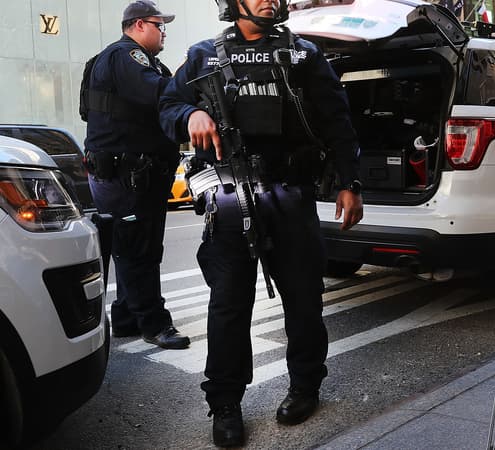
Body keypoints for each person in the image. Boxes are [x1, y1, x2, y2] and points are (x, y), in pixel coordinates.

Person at [158, 0, 363, 446]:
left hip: (291, 193)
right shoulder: (202, 55)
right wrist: (188, 114)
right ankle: (225, 403)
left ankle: (305, 385)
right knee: (228, 305)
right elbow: (167, 105)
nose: (272, 0)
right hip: (230, 199)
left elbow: (337, 122)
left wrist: (350, 183)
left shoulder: (304, 54)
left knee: (304, 299)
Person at [84, 0, 190, 350]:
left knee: (131, 247)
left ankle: (127, 315)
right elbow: (160, 94)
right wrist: (189, 76)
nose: (163, 34)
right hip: (128, 174)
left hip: (125, 172)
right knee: (139, 249)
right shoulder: (126, 57)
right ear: (140, 25)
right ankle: (154, 323)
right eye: (161, 26)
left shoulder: (123, 59)